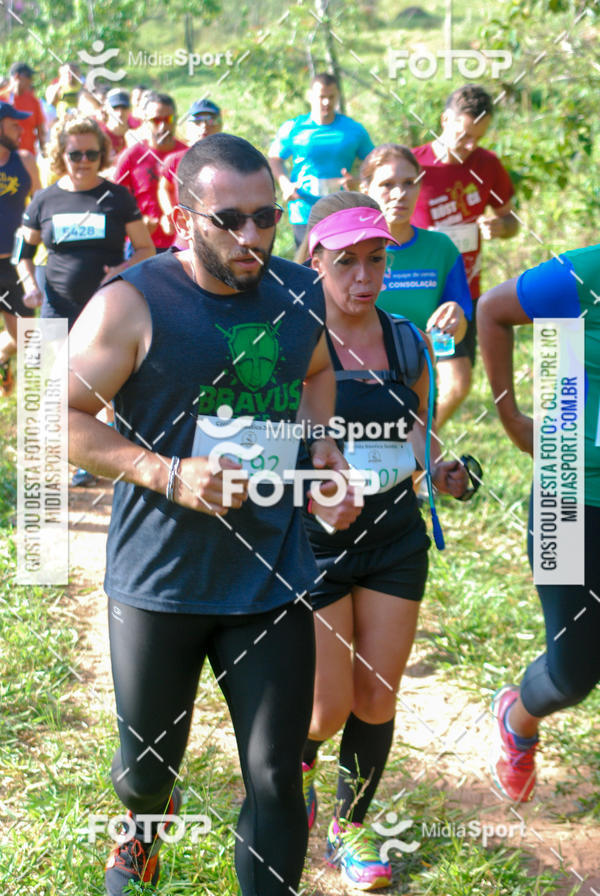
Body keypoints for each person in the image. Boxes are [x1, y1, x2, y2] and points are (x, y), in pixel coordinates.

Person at [67, 132, 360, 896]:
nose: (251, 237)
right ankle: (141, 821)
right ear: (180, 210)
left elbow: (318, 372)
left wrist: (323, 450)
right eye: (228, 219)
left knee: (274, 775)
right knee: (144, 772)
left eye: (265, 217)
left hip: (270, 575)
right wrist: (165, 473)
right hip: (159, 581)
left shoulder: (299, 293)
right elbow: (54, 418)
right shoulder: (132, 303)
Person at [301, 191, 470, 890]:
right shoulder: (288, 339)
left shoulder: (404, 337)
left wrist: (442, 466)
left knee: (376, 699)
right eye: (346, 263)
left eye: (375, 260)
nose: (363, 277)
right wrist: (308, 484)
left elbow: (416, 426)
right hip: (313, 544)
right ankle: (295, 769)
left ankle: (352, 827)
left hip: (395, 536)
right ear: (314, 262)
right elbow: (255, 442)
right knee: (324, 708)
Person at [478, 247, 600, 803]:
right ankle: (518, 717)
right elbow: (493, 309)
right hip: (568, 495)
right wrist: (511, 417)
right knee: (573, 674)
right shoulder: (588, 273)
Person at [15, 115, 153, 484]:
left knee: (106, 384)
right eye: (75, 154)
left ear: (102, 153)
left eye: (92, 153)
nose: (84, 161)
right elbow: (22, 253)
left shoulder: (117, 196)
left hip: (107, 310)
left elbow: (146, 248)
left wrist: (118, 271)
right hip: (57, 306)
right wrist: (30, 283)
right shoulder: (44, 199)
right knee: (59, 386)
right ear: (62, 154)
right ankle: (69, 456)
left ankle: (107, 459)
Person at [412, 84, 518, 425]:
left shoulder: (487, 165)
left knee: (457, 384)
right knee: (408, 384)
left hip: (459, 295)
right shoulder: (411, 165)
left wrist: (501, 227)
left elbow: (511, 218)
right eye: (465, 135)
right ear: (445, 120)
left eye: (479, 137)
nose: (471, 145)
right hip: (411, 288)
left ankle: (419, 447)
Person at [358, 143, 472, 425]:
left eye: (409, 183)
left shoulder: (441, 249)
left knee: (417, 467)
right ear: (366, 189)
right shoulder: (349, 248)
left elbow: (456, 334)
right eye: (387, 184)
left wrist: (455, 321)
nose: (399, 194)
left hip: (417, 388)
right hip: (355, 388)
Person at [268, 72, 374, 248]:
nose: (326, 102)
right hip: (304, 210)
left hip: (341, 209)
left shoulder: (353, 129)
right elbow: (274, 158)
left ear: (337, 96)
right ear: (310, 96)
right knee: (308, 267)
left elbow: (374, 163)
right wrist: (285, 184)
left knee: (339, 264)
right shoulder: (294, 127)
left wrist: (359, 182)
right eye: (321, 97)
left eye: (331, 97)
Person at [0, 101, 41, 395]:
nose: (20, 129)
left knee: (28, 340)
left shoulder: (25, 160)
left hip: (16, 265)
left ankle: (2, 356)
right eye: (14, 124)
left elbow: (41, 207)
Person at [113, 91, 187, 251]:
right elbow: (115, 201)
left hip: (182, 246)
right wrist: (138, 221)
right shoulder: (131, 156)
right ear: (145, 122)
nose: (163, 126)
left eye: (169, 119)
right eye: (156, 120)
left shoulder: (188, 155)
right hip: (141, 246)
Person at [157, 98, 222, 241]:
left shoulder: (231, 159)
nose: (204, 126)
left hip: (221, 235)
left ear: (220, 125)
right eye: (197, 120)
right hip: (186, 239)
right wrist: (169, 213)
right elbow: (164, 187)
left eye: (210, 120)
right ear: (187, 126)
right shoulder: (175, 160)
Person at [0, 63, 46, 155]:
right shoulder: (2, 98)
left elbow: (40, 129)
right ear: (17, 76)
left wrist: (44, 150)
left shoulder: (33, 101)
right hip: (5, 157)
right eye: (28, 76)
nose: (31, 81)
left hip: (28, 155)